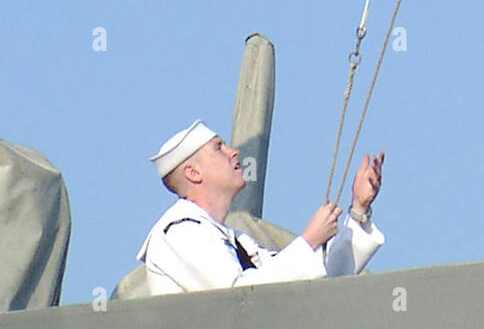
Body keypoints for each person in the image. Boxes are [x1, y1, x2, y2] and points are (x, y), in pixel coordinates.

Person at [138, 120, 384, 294]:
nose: (234, 152)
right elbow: (238, 296)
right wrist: (308, 241)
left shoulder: (239, 241)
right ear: (193, 172)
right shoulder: (180, 231)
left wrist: (358, 211)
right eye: (218, 147)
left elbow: (315, 278)